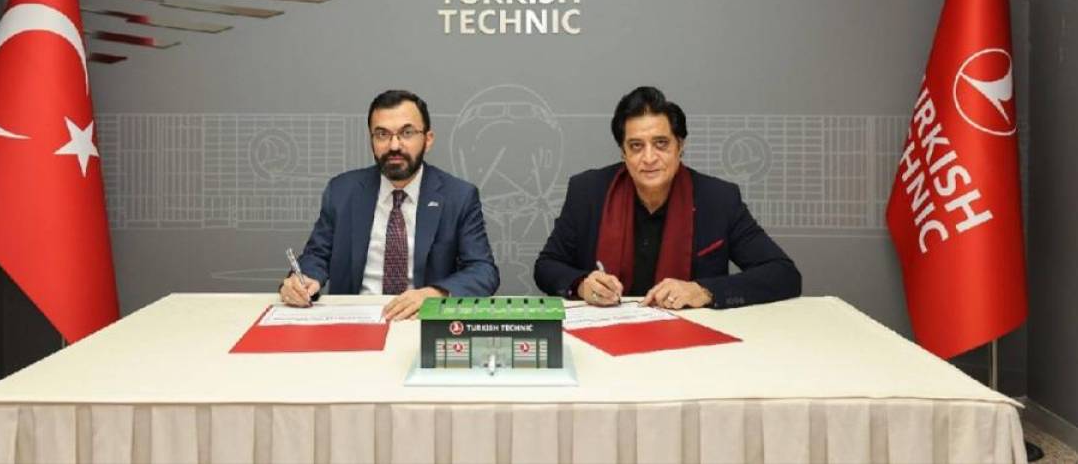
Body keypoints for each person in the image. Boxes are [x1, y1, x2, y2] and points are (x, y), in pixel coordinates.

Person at [534, 86, 800, 309]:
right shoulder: (588, 191)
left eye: (661, 143)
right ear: (623, 152)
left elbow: (784, 274)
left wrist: (704, 291)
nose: (649, 158)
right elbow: (546, 266)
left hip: (691, 340)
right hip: (605, 334)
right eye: (636, 146)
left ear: (680, 146)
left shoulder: (718, 199)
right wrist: (582, 285)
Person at [280, 90, 499, 319]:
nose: (394, 145)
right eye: (382, 134)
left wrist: (436, 293)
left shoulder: (459, 196)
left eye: (407, 133)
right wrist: (302, 281)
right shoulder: (343, 191)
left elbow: (483, 271)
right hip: (355, 319)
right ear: (372, 140)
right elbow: (316, 256)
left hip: (421, 318)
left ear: (428, 139)